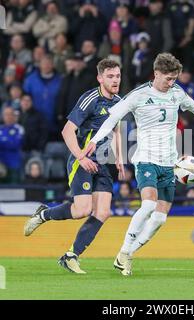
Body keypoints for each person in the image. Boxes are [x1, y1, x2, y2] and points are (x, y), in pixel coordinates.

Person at [83, 53, 194, 276]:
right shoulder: (138, 95)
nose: (171, 83)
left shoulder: (177, 93)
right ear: (156, 74)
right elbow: (111, 120)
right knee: (148, 205)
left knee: (160, 218)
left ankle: (126, 254)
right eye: (168, 79)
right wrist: (95, 141)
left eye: (174, 78)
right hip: (145, 159)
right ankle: (124, 252)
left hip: (169, 163)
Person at [24, 59, 125, 274]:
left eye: (117, 76)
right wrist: (81, 158)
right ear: (100, 78)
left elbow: (116, 130)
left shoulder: (119, 101)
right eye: (110, 76)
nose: (115, 80)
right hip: (83, 159)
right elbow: (67, 131)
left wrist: (119, 157)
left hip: (103, 163)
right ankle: (44, 214)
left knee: (103, 212)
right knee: (82, 210)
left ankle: (71, 256)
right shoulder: (90, 99)